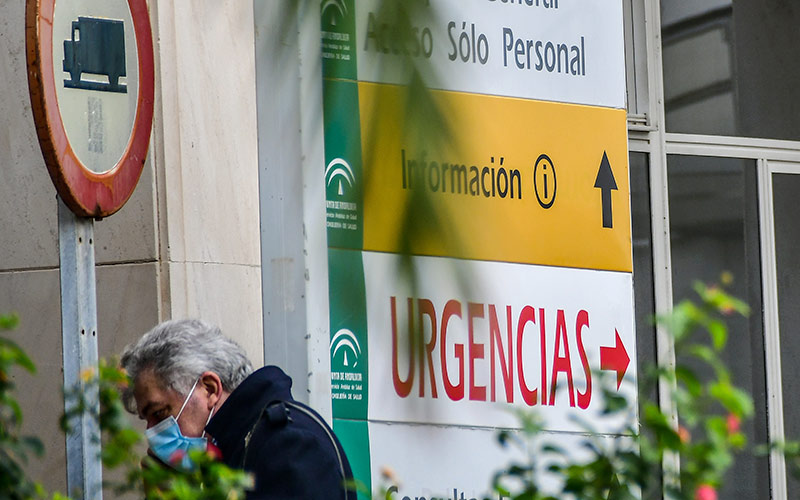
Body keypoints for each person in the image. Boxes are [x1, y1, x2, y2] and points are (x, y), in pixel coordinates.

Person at [120, 318, 356, 499]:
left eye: (160, 413)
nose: (152, 431)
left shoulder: (287, 446)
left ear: (210, 389)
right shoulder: (237, 447)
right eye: (146, 419)